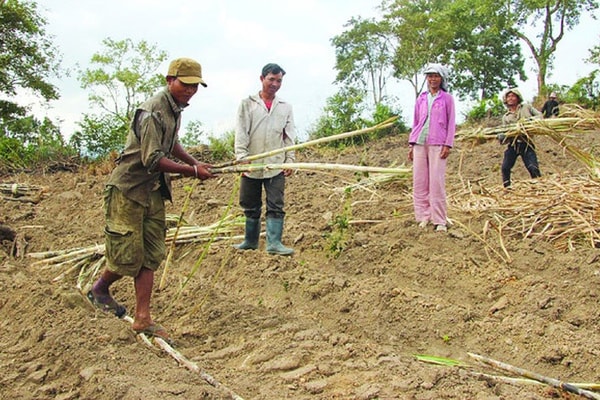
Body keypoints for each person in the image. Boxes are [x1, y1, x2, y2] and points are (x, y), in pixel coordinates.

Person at [87, 57, 214, 343]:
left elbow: (172, 144)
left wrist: (196, 162)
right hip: (129, 190)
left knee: (152, 254)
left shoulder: (175, 109)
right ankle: (99, 289)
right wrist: (192, 171)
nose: (191, 91)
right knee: (126, 256)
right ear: (170, 80)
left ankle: (143, 318)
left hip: (153, 191)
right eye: (186, 84)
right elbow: (153, 158)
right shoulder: (152, 110)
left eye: (196, 86)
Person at [233, 63, 296, 255]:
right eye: (271, 79)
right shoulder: (247, 104)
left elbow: (289, 136)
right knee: (250, 203)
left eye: (279, 81)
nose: (275, 84)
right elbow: (241, 132)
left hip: (275, 164)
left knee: (276, 203)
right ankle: (250, 241)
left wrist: (290, 159)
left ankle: (274, 243)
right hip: (252, 162)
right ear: (262, 79)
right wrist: (242, 158)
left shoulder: (285, 107)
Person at [408, 63, 456, 232]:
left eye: (436, 76)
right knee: (419, 181)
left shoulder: (447, 99)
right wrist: (411, 143)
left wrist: (448, 144)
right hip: (420, 142)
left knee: (436, 181)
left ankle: (439, 220)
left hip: (438, 142)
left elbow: (451, 123)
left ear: (441, 78)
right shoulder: (421, 98)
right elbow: (415, 121)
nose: (432, 79)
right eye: (430, 76)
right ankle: (423, 216)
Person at [498, 88, 542, 188]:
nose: (510, 98)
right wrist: (503, 137)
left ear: (518, 98)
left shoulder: (526, 107)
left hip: (526, 143)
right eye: (508, 96)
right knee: (505, 168)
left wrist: (530, 121)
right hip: (513, 144)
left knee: (533, 167)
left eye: (513, 96)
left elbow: (540, 115)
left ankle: (539, 185)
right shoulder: (506, 117)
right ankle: (507, 188)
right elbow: (505, 133)